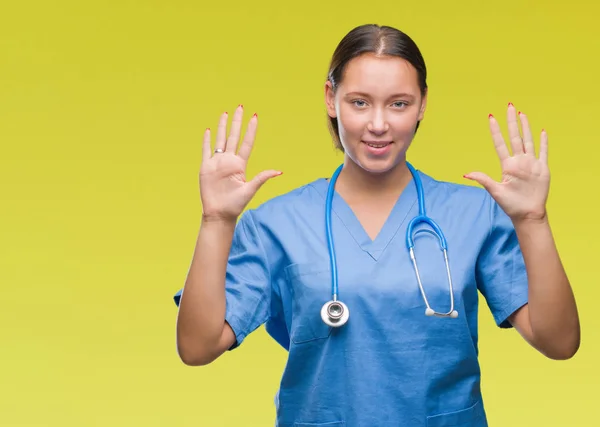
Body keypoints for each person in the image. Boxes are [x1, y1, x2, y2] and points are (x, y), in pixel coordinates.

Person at [173, 24, 580, 426]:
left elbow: (559, 342)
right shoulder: (277, 223)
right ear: (331, 99)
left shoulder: (474, 213)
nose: (379, 124)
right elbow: (197, 346)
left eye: (399, 103)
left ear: (423, 104)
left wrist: (532, 220)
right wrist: (216, 220)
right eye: (360, 102)